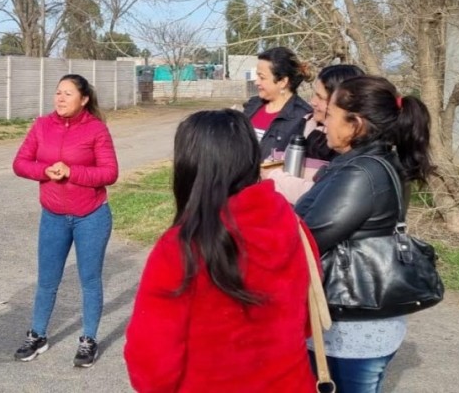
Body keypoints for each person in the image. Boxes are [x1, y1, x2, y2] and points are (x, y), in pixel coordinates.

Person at [124, 109, 319, 392]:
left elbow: (152, 364)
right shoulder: (293, 225)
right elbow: (307, 321)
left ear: (189, 166)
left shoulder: (182, 246)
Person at [294, 75, 433, 393]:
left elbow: (308, 239)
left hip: (351, 334)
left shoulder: (362, 173)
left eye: (330, 115)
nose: (324, 123)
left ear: (355, 124)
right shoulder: (371, 162)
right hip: (359, 326)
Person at [12, 73, 119, 368]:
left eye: (67, 93)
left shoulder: (97, 130)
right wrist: (45, 170)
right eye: (58, 92)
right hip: (53, 217)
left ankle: (88, 340)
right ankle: (38, 335)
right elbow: (20, 164)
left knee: (90, 281)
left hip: (91, 217)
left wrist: (72, 171)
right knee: (47, 281)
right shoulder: (41, 125)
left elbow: (110, 173)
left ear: (83, 100)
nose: (60, 98)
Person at [264, 64, 365, 204]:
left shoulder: (348, 146)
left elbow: (326, 196)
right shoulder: (306, 123)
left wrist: (274, 177)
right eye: (314, 94)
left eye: (320, 97)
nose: (313, 102)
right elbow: (274, 159)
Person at [243, 46, 313, 160]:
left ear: (282, 81)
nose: (256, 82)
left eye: (262, 77)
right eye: (257, 76)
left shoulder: (304, 118)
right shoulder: (252, 105)